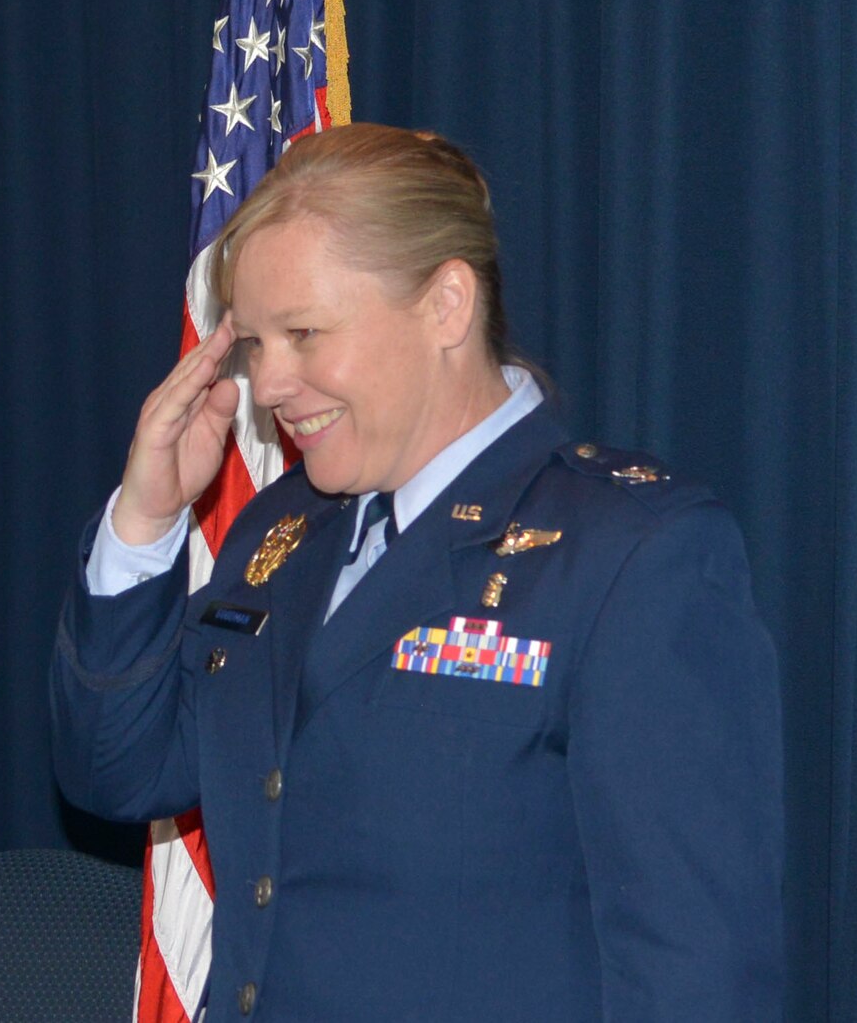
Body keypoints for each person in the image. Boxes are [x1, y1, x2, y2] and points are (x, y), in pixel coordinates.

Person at [51, 123, 783, 1020]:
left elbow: (695, 977)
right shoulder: (281, 533)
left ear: (445, 306)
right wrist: (146, 520)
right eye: (253, 344)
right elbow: (115, 773)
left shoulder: (631, 552)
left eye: (304, 333)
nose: (270, 383)